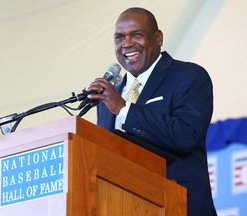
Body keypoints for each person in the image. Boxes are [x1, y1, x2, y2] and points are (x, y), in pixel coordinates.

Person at [86, 7, 217, 216]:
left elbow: (186, 135)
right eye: (119, 38)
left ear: (158, 38)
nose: (127, 44)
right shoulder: (106, 99)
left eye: (136, 34)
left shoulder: (189, 76)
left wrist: (124, 109)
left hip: (178, 206)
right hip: (121, 207)